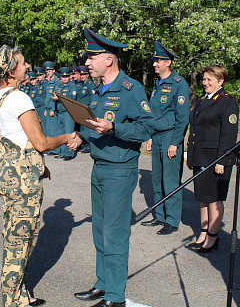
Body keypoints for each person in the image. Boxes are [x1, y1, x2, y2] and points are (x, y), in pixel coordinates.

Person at [0, 45, 79, 307]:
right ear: (11, 70)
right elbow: (40, 142)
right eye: (23, 63)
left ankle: (20, 294)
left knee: (13, 234)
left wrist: (37, 163)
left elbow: (13, 139)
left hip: (8, 171)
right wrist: (65, 138)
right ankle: (13, 300)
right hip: (22, 179)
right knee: (22, 239)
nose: (27, 66)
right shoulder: (19, 98)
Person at [73, 28, 154, 307]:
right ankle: (103, 283)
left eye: (91, 57)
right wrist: (82, 135)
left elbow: (146, 127)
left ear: (108, 59)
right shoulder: (98, 90)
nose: (86, 62)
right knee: (99, 230)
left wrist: (114, 127)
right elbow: (97, 124)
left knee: (114, 233)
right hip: (100, 167)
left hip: (120, 170)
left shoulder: (131, 89)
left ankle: (115, 297)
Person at [186, 64, 239, 252]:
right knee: (203, 197)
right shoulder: (201, 100)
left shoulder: (227, 101)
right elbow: (195, 130)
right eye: (204, 79)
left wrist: (222, 160)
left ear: (220, 81)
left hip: (216, 159)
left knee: (215, 198)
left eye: (209, 79)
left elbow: (229, 134)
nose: (205, 83)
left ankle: (213, 238)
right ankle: (203, 233)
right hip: (201, 156)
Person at [141, 41, 190, 235]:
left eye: (158, 60)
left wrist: (175, 142)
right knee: (156, 179)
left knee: (170, 181)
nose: (154, 64)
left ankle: (172, 220)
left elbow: (182, 117)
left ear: (168, 62)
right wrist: (151, 136)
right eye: (154, 60)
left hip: (170, 137)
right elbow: (154, 113)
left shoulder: (179, 84)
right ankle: (159, 215)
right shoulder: (157, 84)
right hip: (158, 136)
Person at [53, 67, 78, 160]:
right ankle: (63, 152)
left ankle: (70, 153)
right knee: (61, 134)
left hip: (68, 113)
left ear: (69, 77)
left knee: (69, 133)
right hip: (60, 112)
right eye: (63, 77)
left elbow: (72, 99)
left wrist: (60, 97)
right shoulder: (58, 86)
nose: (65, 78)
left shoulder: (72, 86)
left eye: (67, 76)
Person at [76, 65, 96, 153]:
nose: (82, 76)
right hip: (80, 109)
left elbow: (93, 98)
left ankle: (88, 146)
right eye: (81, 75)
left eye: (84, 74)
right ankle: (83, 144)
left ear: (88, 75)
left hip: (87, 108)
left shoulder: (91, 85)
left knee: (87, 126)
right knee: (82, 127)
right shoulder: (80, 84)